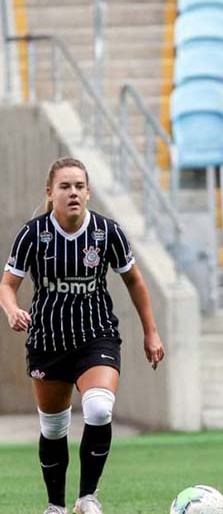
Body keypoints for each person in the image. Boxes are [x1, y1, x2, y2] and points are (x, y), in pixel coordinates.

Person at [0, 157, 165, 514]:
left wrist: (150, 333)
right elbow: (7, 285)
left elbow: (135, 281)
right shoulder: (34, 234)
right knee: (55, 427)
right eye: (65, 186)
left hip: (97, 337)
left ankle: (88, 497)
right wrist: (13, 311)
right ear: (50, 192)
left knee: (99, 408)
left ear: (88, 192)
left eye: (79, 186)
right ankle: (56, 505)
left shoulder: (107, 233)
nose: (72, 192)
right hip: (48, 343)